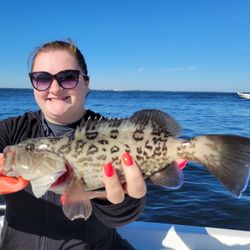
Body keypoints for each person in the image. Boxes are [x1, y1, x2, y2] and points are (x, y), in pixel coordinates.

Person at [0, 40, 186, 249]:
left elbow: (123, 217)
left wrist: (110, 199)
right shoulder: (11, 130)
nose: (54, 88)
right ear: (33, 83)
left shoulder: (113, 133)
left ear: (86, 82)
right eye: (42, 79)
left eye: (68, 77)